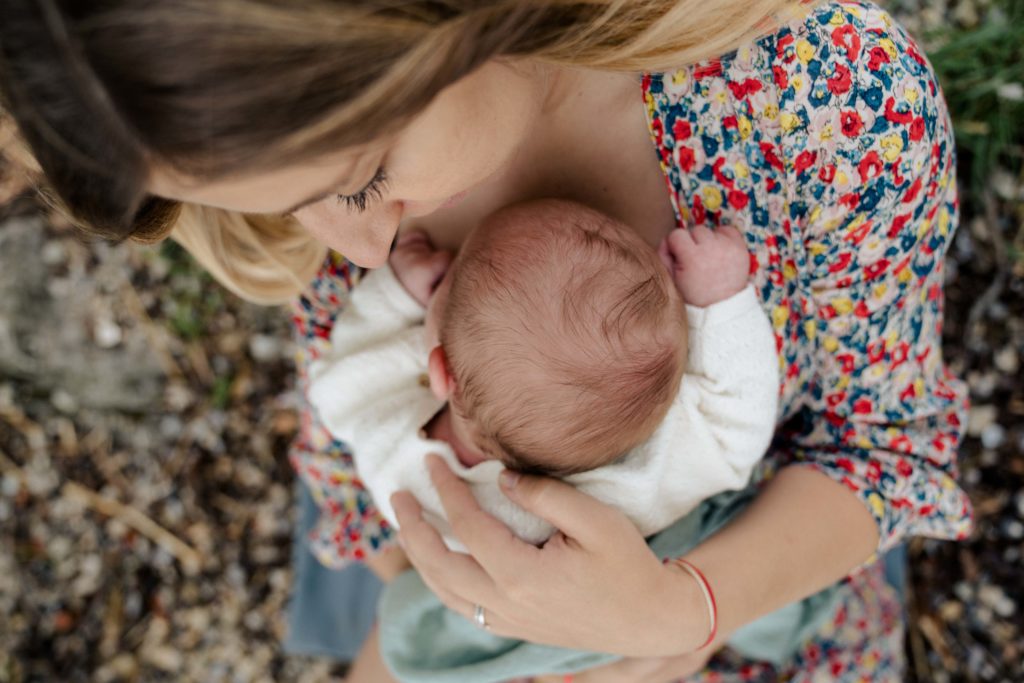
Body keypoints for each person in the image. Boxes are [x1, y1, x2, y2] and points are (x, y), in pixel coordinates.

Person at [0, 1, 972, 681]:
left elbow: (883, 443)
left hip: (742, 549)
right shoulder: (298, 159)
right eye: (294, 210)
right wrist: (465, 596)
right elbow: (356, 441)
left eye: (356, 180)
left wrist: (683, 608)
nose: (360, 249)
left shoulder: (825, 110)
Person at [307, 199, 777, 552]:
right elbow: (736, 424)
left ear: (441, 370)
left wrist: (399, 292)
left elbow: (342, 379)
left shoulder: (392, 455)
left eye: (448, 281)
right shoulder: (629, 497)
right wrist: (719, 303)